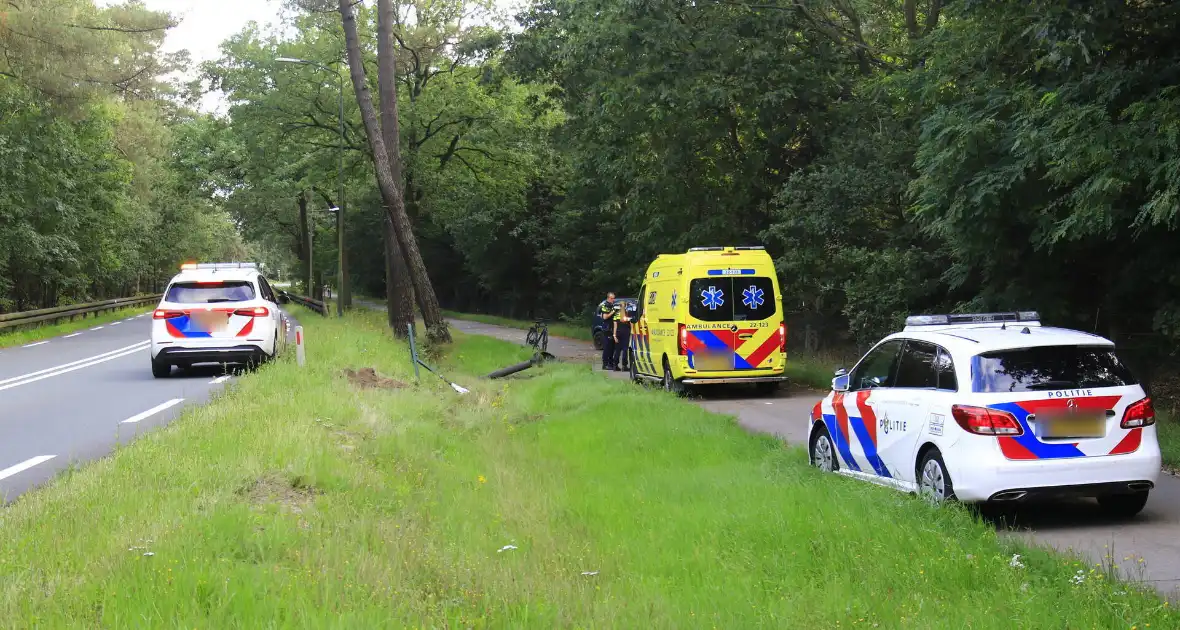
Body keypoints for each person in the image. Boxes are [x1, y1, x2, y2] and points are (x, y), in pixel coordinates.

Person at [612, 301, 634, 371]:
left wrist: (614, 335)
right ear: (625, 306)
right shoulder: (627, 314)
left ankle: (615, 365)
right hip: (625, 333)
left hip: (618, 333)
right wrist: (632, 332)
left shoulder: (616, 314)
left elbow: (615, 326)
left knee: (617, 350)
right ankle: (624, 366)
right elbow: (631, 324)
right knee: (625, 350)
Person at [599, 292, 617, 370]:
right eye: (612, 298)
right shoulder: (605, 305)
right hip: (607, 329)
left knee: (612, 347)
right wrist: (613, 312)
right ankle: (605, 364)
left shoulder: (612, 305)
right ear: (608, 298)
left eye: (614, 298)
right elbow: (605, 317)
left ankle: (611, 363)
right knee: (607, 347)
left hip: (612, 329)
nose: (613, 300)